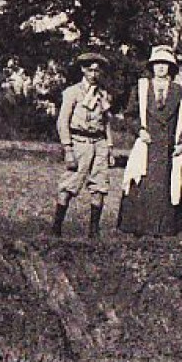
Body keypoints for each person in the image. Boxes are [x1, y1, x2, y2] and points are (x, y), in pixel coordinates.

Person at [116, 45, 182, 237]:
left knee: (166, 187)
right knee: (141, 184)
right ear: (152, 67)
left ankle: (162, 229)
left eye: (165, 64)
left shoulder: (179, 91)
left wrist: (181, 142)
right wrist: (140, 130)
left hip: (168, 148)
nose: (161, 68)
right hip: (147, 145)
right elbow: (130, 115)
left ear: (171, 68)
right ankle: (137, 228)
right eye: (158, 64)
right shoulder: (141, 88)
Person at [53, 49, 116, 238]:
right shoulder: (72, 93)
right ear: (83, 70)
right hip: (79, 141)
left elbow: (106, 123)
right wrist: (68, 148)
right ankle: (56, 228)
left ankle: (93, 231)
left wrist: (110, 148)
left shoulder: (104, 95)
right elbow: (62, 121)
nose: (94, 75)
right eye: (90, 70)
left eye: (97, 71)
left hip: (99, 143)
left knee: (100, 186)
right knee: (70, 184)